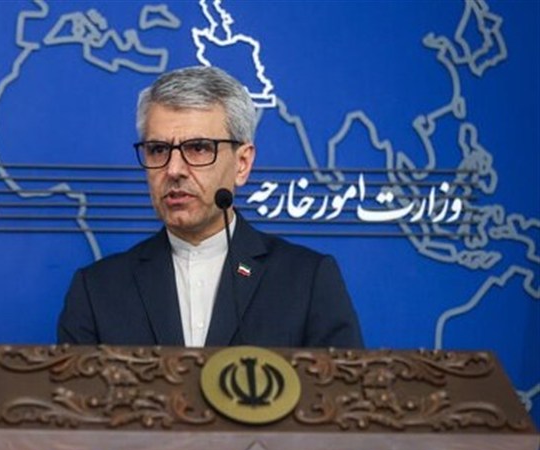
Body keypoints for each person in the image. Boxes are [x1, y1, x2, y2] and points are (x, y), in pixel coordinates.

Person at [57, 66, 363, 348]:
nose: (174, 169)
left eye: (198, 148)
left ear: (242, 164)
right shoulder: (96, 291)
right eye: (158, 149)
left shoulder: (307, 281)